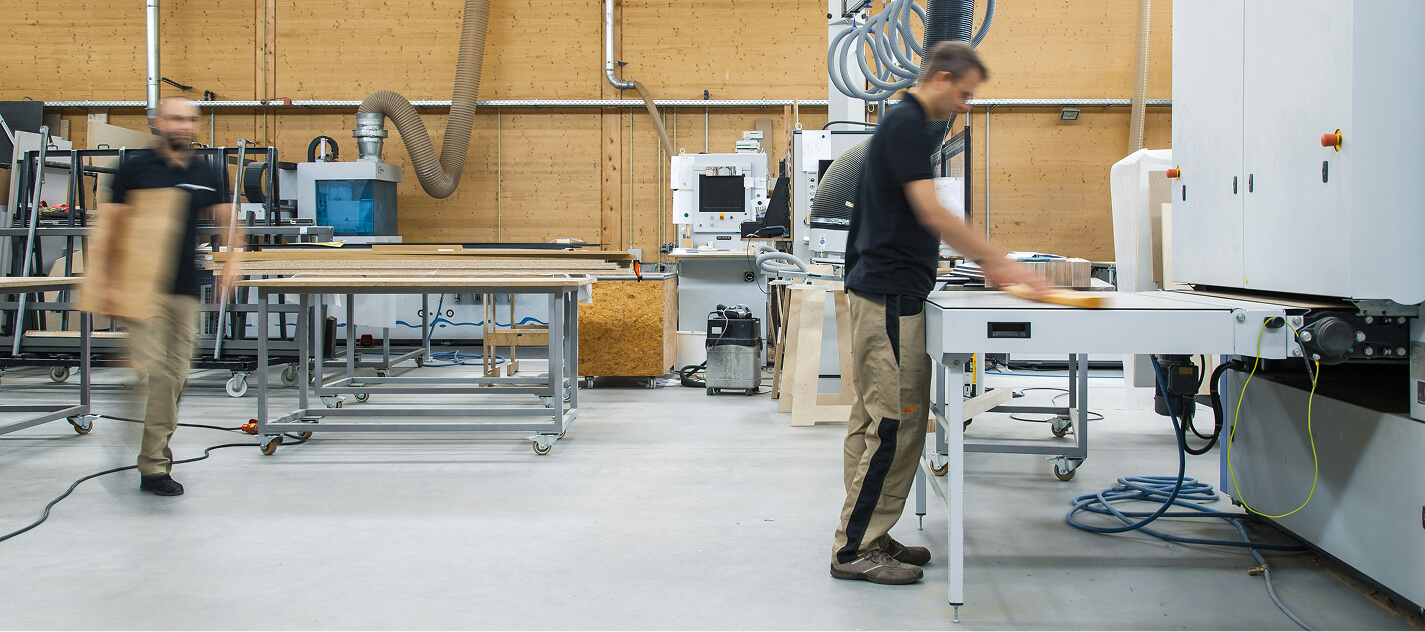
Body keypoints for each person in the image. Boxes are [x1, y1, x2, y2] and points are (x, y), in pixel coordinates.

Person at [830, 41, 1049, 585]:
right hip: (890, 299)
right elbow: (933, 211)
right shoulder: (907, 125)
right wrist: (1000, 263)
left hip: (883, 294)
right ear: (944, 78)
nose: (965, 105)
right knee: (895, 424)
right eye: (965, 94)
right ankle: (855, 550)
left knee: (873, 423)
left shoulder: (901, 125)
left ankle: (867, 533)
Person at [88, 96, 245, 496]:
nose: (183, 126)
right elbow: (110, 227)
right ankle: (154, 468)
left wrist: (233, 257)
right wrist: (105, 282)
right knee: (158, 374)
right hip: (143, 287)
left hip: (184, 291)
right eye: (175, 118)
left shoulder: (206, 170)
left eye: (190, 120)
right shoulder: (134, 168)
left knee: (174, 377)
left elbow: (229, 219)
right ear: (158, 122)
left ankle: (149, 447)